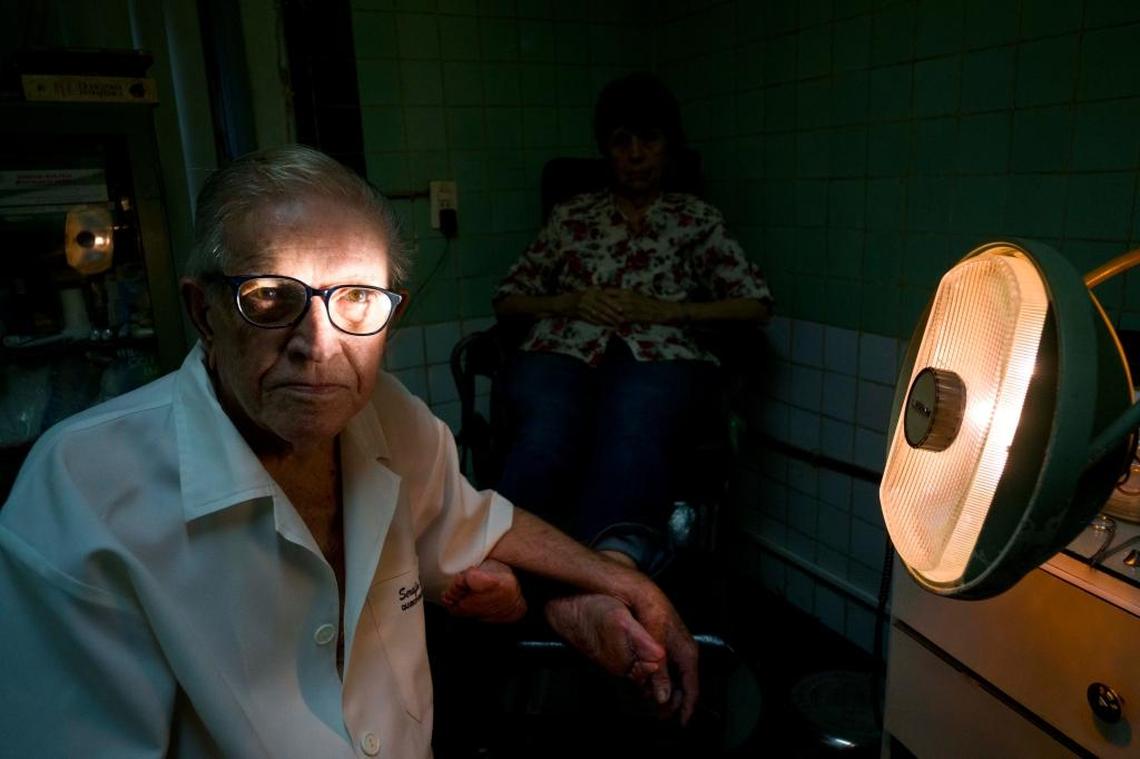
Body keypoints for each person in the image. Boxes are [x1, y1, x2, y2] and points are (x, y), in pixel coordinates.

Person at [0, 145, 697, 757]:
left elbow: (478, 524)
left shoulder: (391, 417)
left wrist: (609, 587)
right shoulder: (81, 495)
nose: (320, 345)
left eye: (358, 298)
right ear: (202, 311)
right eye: (270, 296)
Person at [493, 72, 773, 574]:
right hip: (564, 349)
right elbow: (508, 300)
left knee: (635, 412)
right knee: (550, 423)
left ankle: (613, 564)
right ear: (606, 150)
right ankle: (505, 557)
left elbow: (755, 305)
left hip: (661, 356)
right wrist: (570, 302)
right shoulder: (571, 216)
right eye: (622, 141)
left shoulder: (696, 219)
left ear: (669, 147)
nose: (636, 153)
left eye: (650, 139)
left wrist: (668, 311)